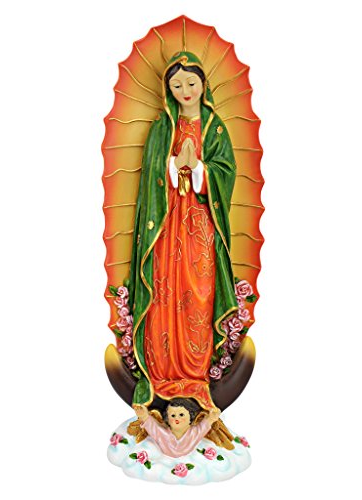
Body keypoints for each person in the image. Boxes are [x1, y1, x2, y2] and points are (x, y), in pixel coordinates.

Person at [128, 51, 238, 411]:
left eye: (191, 83)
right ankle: (161, 374)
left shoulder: (215, 127)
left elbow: (227, 172)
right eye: (177, 85)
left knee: (199, 294)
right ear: (167, 89)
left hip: (200, 225)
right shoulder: (162, 128)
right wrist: (174, 166)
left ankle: (196, 375)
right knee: (164, 292)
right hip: (166, 224)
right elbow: (150, 177)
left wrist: (202, 169)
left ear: (204, 83)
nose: (185, 91)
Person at [133, 399, 221, 458]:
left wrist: (212, 418)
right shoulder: (162, 435)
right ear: (167, 418)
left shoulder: (194, 434)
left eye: (181, 415)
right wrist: (143, 415)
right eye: (173, 415)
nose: (176, 418)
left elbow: (204, 425)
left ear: (190, 416)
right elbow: (152, 426)